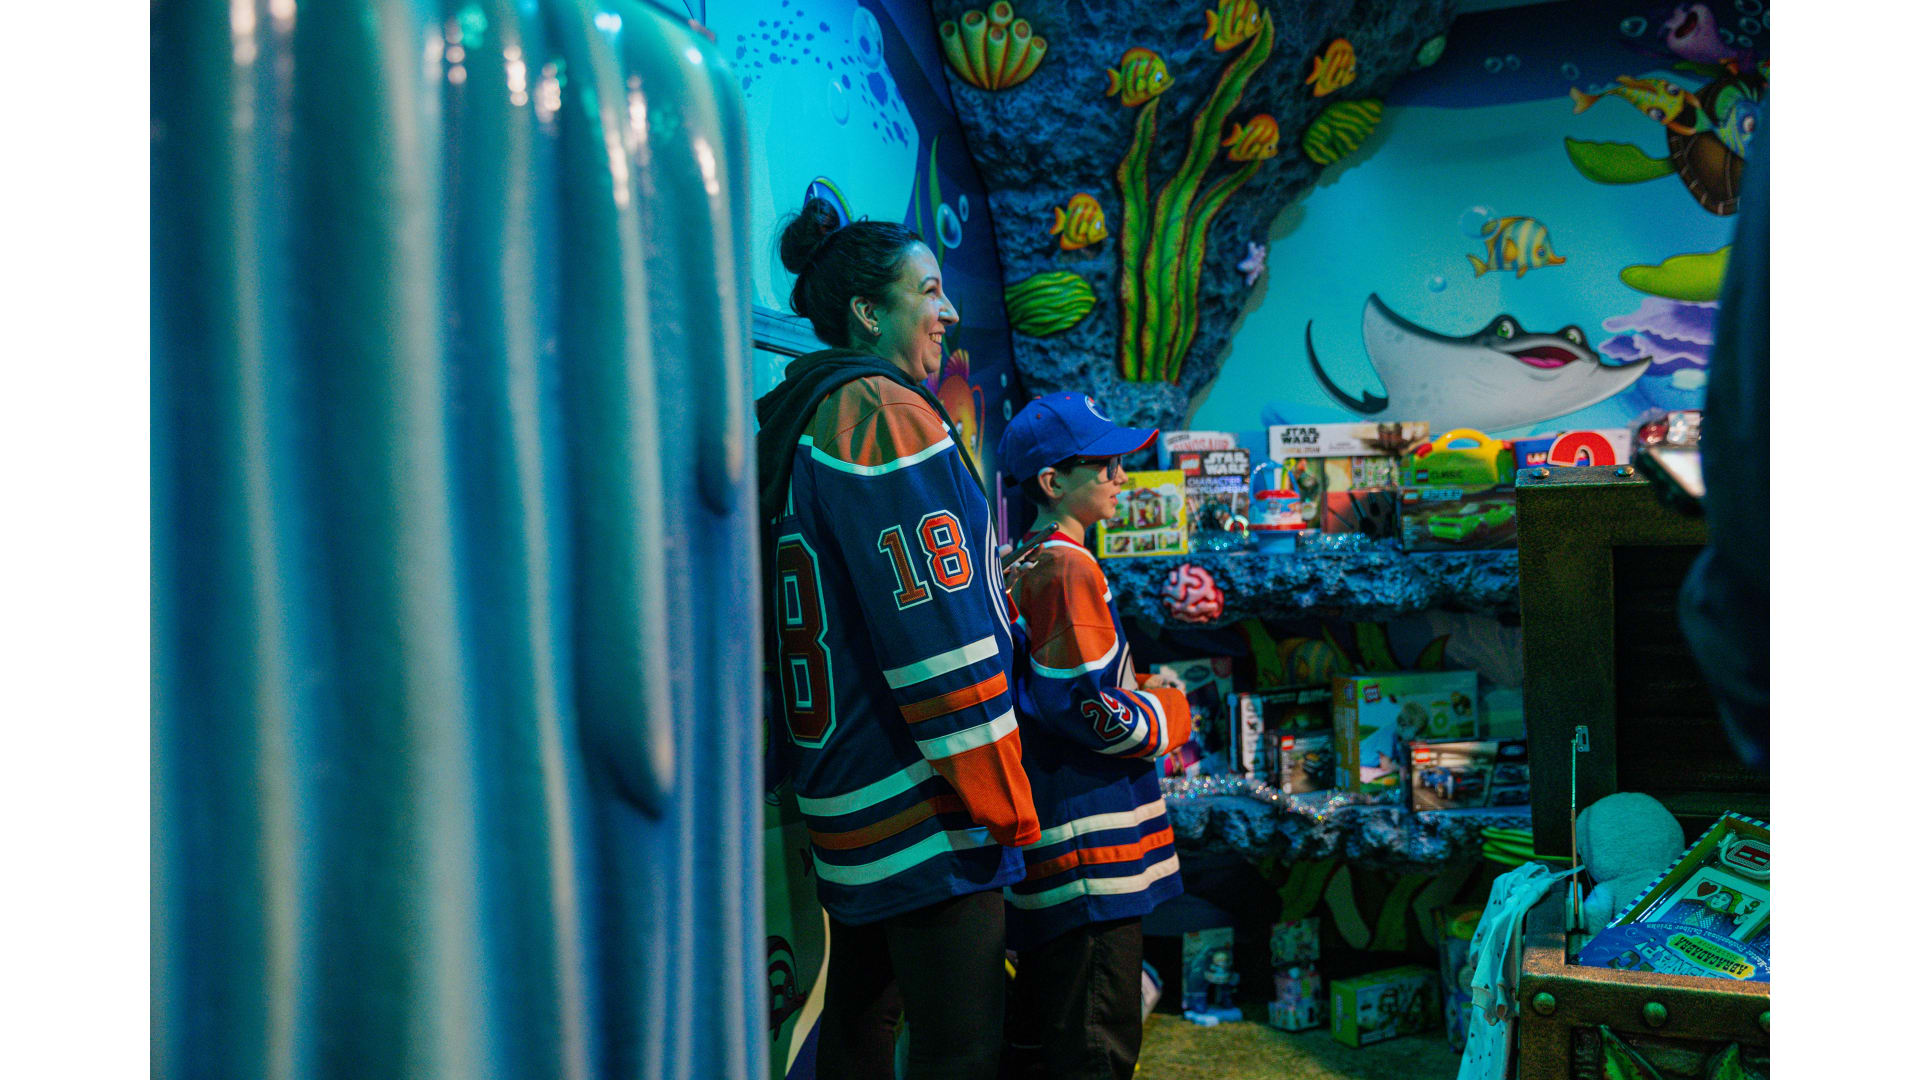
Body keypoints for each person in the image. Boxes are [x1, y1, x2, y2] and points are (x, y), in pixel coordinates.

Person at [754, 196, 1040, 1080]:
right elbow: (936, 632)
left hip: (844, 789)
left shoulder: (802, 414)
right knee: (961, 1048)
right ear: (867, 313)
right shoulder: (879, 412)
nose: (948, 311)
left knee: (860, 1025)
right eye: (928, 290)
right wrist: (997, 787)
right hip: (923, 798)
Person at [995, 393, 1193, 1080]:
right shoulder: (1066, 566)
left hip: (1061, 829)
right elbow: (1090, 712)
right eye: (1104, 464)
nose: (1120, 475)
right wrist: (1172, 711)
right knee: (1096, 1042)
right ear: (1053, 481)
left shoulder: (1021, 558)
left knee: (1052, 1032)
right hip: (1090, 845)